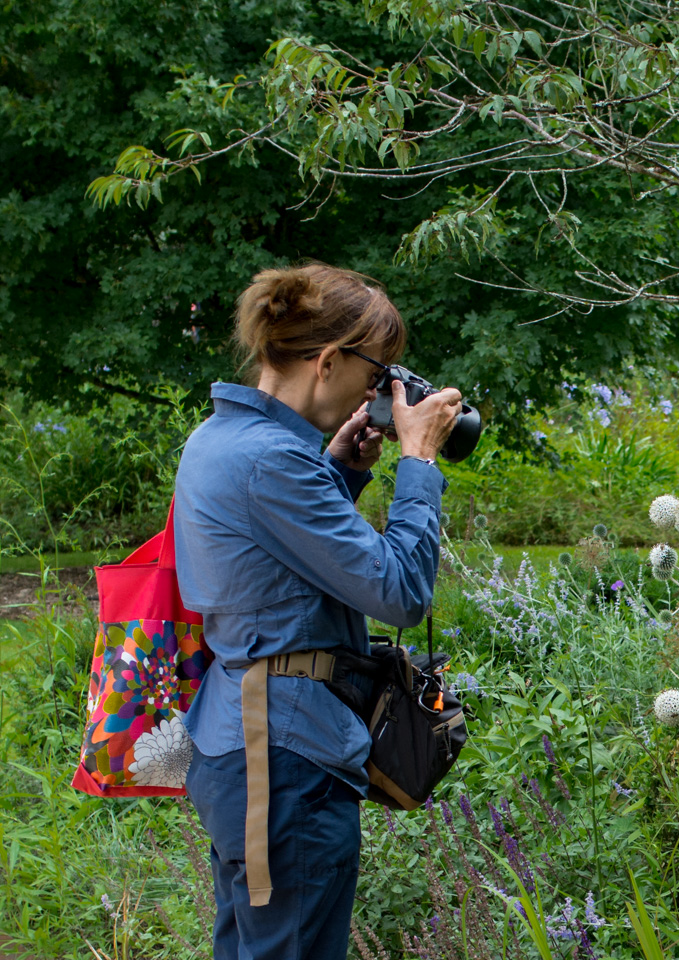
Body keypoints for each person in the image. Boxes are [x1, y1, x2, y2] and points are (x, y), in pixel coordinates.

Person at [173, 263, 461, 959]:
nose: (379, 391)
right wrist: (417, 462)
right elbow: (401, 593)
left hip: (237, 743)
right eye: (376, 372)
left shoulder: (221, 438)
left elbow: (276, 565)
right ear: (329, 361)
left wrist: (341, 473)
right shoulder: (273, 459)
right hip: (285, 763)